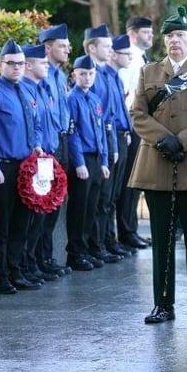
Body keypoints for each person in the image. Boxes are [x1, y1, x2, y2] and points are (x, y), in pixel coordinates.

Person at [129, 6, 187, 325]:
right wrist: (163, 139)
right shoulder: (149, 72)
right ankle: (163, 305)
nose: (174, 41)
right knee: (162, 240)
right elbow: (138, 114)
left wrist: (181, 141)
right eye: (169, 36)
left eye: (180, 36)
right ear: (164, 40)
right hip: (158, 166)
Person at [0, 38, 43, 294]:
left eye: (20, 64)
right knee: (1, 225)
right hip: (3, 168)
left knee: (21, 222)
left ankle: (16, 270)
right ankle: (0, 276)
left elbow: (35, 124)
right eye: (11, 63)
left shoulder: (26, 90)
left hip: (25, 168)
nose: (16, 68)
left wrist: (36, 145)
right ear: (0, 65)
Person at [19, 44, 60, 283]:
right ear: (29, 65)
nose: (47, 65)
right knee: (30, 219)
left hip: (46, 158)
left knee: (42, 218)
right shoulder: (24, 90)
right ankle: (26, 264)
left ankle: (34, 261)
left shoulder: (39, 89)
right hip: (32, 162)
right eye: (42, 62)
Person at [65, 54, 110, 271]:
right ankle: (76, 252)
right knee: (79, 208)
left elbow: (101, 131)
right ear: (74, 75)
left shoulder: (94, 99)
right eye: (83, 74)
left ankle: (87, 250)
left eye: (91, 73)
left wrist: (104, 160)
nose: (87, 77)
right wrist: (79, 163)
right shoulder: (71, 99)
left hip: (95, 158)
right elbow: (72, 133)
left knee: (92, 207)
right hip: (81, 160)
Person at [83, 24, 122, 265]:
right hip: (97, 141)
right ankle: (94, 245)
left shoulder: (106, 74)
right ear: (91, 47)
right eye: (106, 46)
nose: (110, 50)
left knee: (107, 197)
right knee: (96, 200)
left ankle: (104, 241)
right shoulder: (89, 74)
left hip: (108, 137)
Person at [38, 23, 73, 277]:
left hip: (62, 142)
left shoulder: (60, 75)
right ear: (48, 48)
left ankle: (46, 258)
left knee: (55, 204)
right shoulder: (43, 75)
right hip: (48, 146)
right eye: (62, 46)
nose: (68, 50)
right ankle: (39, 259)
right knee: (44, 205)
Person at [117, 16, 155, 250]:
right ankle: (126, 231)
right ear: (132, 33)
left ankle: (130, 229)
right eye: (146, 32)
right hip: (132, 123)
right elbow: (125, 95)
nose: (151, 36)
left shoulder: (141, 57)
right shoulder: (128, 59)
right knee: (129, 181)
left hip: (141, 123)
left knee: (136, 181)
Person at [101, 35, 135, 260]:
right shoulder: (103, 77)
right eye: (126, 54)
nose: (130, 58)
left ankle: (109, 240)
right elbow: (105, 115)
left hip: (122, 137)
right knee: (105, 198)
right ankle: (103, 242)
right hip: (111, 138)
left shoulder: (116, 77)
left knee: (113, 196)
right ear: (113, 54)